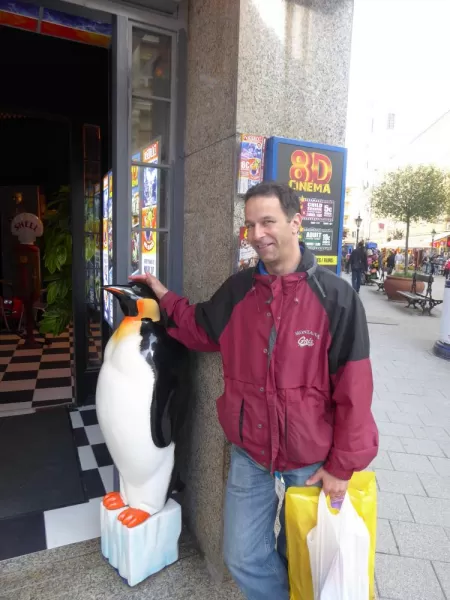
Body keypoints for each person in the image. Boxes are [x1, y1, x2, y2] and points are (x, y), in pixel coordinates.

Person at [130, 182, 378, 600]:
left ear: (296, 222)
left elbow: (355, 389)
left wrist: (342, 466)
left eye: (268, 221)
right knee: (242, 555)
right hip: (251, 449)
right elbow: (199, 327)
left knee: (304, 552)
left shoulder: (336, 298)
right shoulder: (239, 290)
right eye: (250, 225)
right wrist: (164, 297)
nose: (258, 234)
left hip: (312, 454)